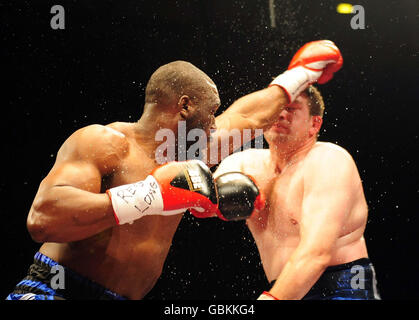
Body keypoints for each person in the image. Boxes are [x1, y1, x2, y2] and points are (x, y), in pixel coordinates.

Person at [6, 40, 343, 300]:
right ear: (185, 106)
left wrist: (301, 74)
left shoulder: (190, 152)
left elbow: (249, 118)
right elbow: (43, 221)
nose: (215, 124)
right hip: (55, 289)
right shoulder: (104, 142)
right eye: (211, 113)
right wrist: (149, 196)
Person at [211, 81, 381, 299]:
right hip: (284, 287)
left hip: (342, 286)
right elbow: (202, 189)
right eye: (276, 108)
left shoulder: (328, 160)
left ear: (314, 124)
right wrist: (211, 200)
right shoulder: (244, 163)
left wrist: (273, 299)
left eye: (291, 109)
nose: (281, 114)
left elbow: (317, 253)